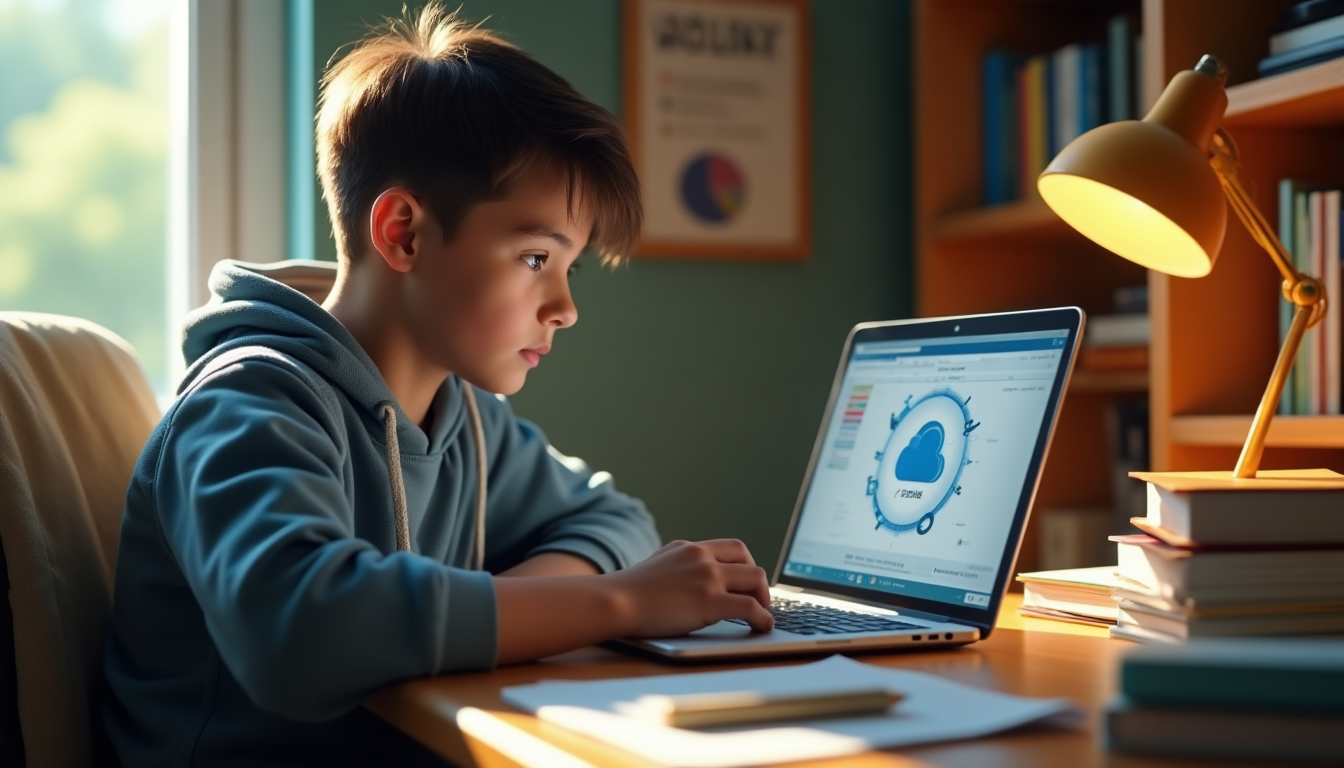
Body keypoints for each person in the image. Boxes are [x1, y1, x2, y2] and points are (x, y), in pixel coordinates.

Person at [103, 5, 773, 766]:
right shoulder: (247, 404)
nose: (565, 308)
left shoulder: (465, 418)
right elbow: (301, 632)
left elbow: (613, 517)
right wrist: (617, 602)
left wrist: (532, 603)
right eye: (533, 259)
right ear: (404, 233)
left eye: (568, 266)